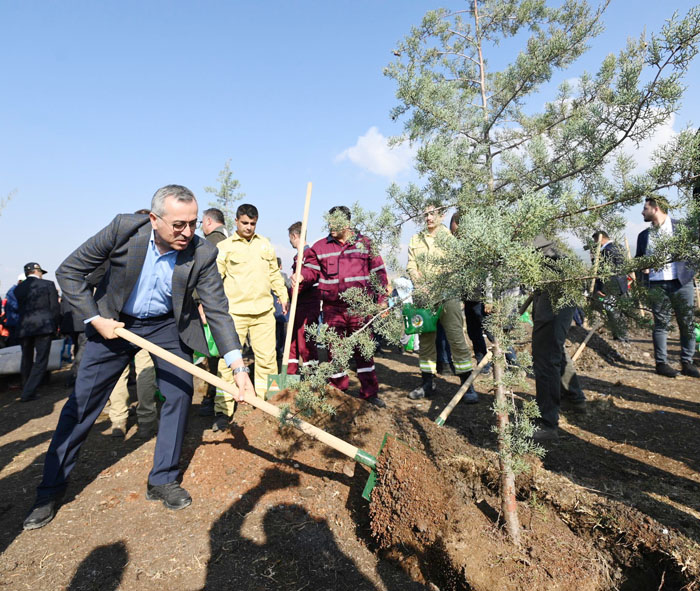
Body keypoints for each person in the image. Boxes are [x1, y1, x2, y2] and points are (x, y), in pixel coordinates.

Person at [23, 185, 254, 531]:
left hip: (166, 325)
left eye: (192, 223)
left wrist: (238, 367)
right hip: (114, 321)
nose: (187, 232)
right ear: (154, 219)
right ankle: (50, 490)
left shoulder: (201, 252)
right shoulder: (124, 229)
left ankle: (162, 479)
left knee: (179, 393)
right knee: (83, 403)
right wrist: (95, 318)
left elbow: (218, 310)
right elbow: (69, 272)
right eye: (178, 224)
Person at [295, 206, 388, 407]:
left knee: (364, 351)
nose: (330, 226)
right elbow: (310, 272)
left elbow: (379, 272)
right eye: (329, 221)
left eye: (335, 222)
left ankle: (370, 394)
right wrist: (301, 277)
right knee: (334, 352)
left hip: (360, 309)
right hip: (332, 309)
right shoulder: (319, 248)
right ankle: (338, 392)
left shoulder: (365, 244)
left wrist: (381, 299)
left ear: (347, 223)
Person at [214, 203, 289, 431]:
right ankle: (222, 410)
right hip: (234, 314)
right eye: (244, 223)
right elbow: (215, 278)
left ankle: (270, 405)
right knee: (228, 363)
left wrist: (283, 295)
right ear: (236, 221)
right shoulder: (224, 247)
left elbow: (274, 274)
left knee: (267, 360)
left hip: (264, 313)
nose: (248, 227)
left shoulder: (265, 245)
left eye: (253, 224)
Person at [406, 206, 476, 401]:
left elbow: (456, 265)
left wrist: (439, 283)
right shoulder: (415, 239)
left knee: (456, 339)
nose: (428, 218)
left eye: (432, 214)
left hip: (448, 297)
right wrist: (419, 282)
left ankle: (467, 386)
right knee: (426, 341)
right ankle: (427, 384)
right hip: (424, 297)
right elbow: (411, 265)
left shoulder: (450, 238)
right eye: (425, 214)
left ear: (441, 215)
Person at [635, 196, 699, 378]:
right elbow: (638, 261)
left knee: (686, 323)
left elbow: (695, 251)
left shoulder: (682, 228)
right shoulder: (644, 236)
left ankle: (687, 362)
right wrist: (643, 274)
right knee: (661, 324)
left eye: (645, 208)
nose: (642, 212)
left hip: (681, 283)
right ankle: (661, 364)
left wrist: (692, 272)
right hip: (656, 285)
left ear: (655, 208)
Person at [531, 235, 587, 441]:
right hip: (554, 278)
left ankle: (547, 423)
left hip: (555, 283)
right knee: (554, 347)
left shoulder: (502, 228)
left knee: (545, 354)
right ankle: (574, 398)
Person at [197, 207, 228, 417]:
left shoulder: (210, 244)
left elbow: (203, 276)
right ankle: (217, 397)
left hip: (209, 307)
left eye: (200, 222)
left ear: (208, 221)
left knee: (209, 355)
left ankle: (210, 398)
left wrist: (200, 303)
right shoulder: (231, 241)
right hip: (226, 306)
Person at [14, 262, 60, 402]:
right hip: (43, 326)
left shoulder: (18, 289)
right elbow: (54, 308)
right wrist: (55, 325)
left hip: (24, 327)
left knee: (26, 358)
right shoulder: (48, 284)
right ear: (37, 271)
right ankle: (29, 391)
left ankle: (26, 386)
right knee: (41, 360)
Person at [286, 221, 320, 375]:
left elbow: (312, 273)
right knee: (292, 343)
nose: (290, 241)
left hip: (307, 307)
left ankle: (311, 379)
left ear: (294, 236)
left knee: (306, 343)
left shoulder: (309, 254)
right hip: (296, 306)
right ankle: (291, 376)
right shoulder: (297, 257)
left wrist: (302, 276)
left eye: (290, 238)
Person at [590, 230, 629, 341]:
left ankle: (620, 338)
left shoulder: (606, 251)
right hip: (621, 285)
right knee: (620, 312)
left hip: (610, 287)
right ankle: (623, 336)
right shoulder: (619, 247)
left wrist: (601, 288)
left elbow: (604, 272)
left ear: (601, 239)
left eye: (595, 241)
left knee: (613, 312)